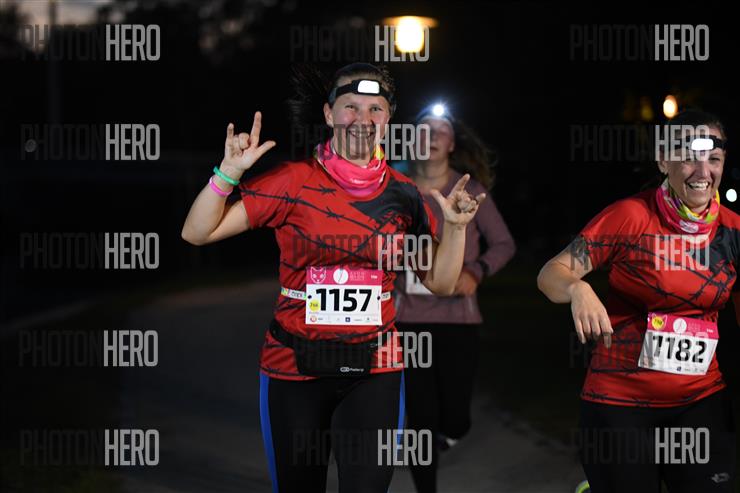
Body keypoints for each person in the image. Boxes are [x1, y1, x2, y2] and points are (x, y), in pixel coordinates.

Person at [181, 62, 486, 493]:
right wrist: (228, 173)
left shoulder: (405, 194)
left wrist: (454, 228)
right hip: (295, 368)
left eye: (375, 109)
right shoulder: (292, 181)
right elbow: (196, 232)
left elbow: (440, 283)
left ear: (388, 119)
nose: (363, 118)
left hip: (375, 369)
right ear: (328, 114)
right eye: (350, 106)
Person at [537, 110, 738, 493]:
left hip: (701, 402)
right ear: (663, 161)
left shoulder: (734, 231)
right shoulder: (630, 216)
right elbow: (551, 274)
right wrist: (578, 289)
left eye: (714, 159)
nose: (703, 171)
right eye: (688, 157)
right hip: (621, 404)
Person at [393, 104, 516, 493]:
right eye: (423, 129)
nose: (431, 137)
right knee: (421, 416)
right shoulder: (393, 185)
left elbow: (504, 243)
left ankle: (444, 438)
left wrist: (476, 271)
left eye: (441, 131)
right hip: (408, 322)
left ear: (452, 144)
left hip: (457, 321)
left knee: (457, 417)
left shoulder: (471, 191)